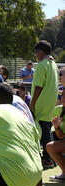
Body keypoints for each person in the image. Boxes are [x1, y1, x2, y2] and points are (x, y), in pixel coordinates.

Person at [29, 40, 59, 169]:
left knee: (43, 132)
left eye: (36, 52)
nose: (35, 55)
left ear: (40, 52)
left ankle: (48, 159)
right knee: (46, 129)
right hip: (50, 103)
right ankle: (51, 158)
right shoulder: (54, 64)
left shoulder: (42, 65)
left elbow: (38, 87)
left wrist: (32, 105)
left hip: (40, 103)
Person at [47, 94, 65, 182]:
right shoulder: (58, 109)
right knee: (50, 146)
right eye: (63, 95)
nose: (63, 98)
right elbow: (60, 136)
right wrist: (57, 127)